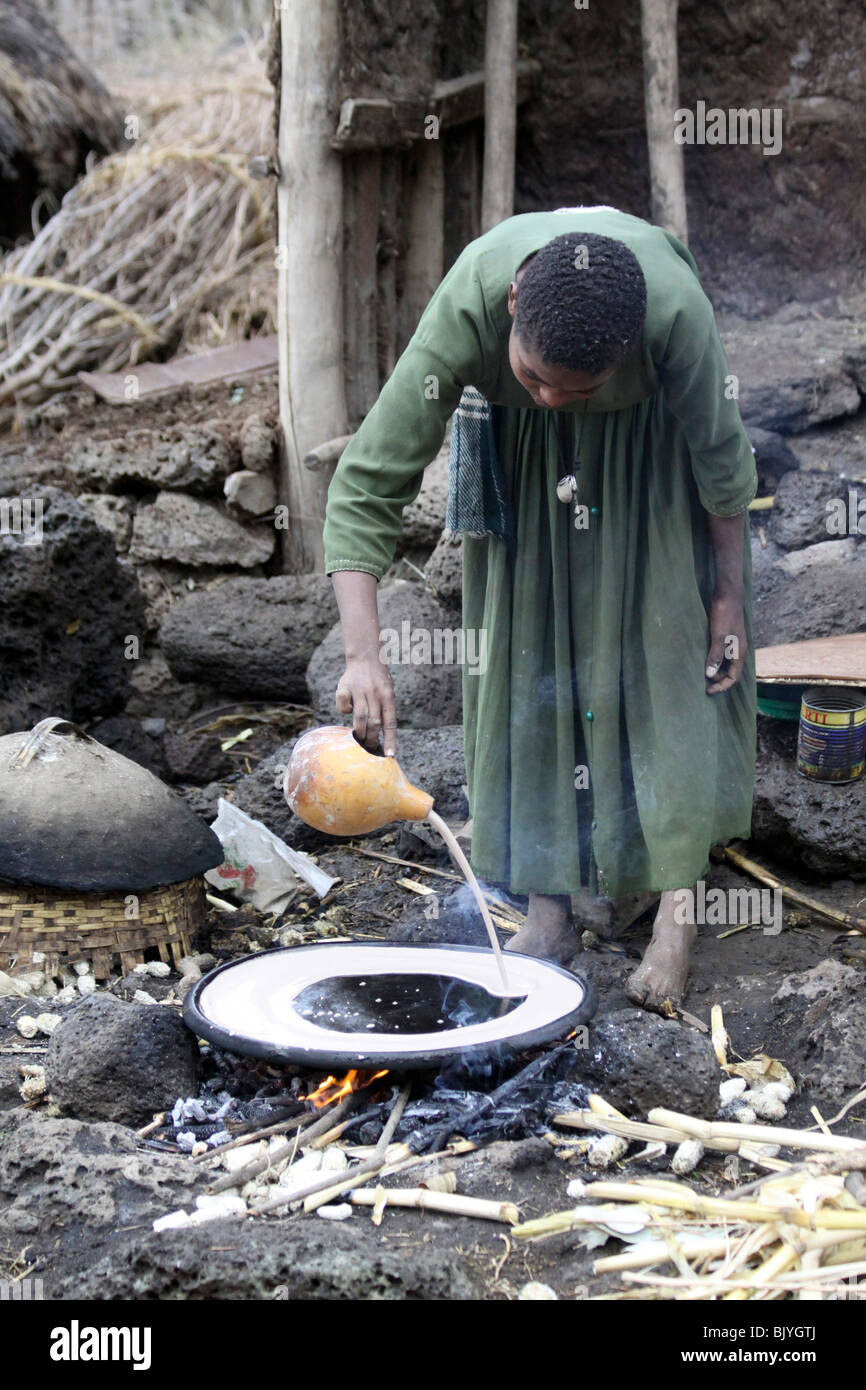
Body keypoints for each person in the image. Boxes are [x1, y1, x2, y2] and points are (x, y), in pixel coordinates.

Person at [322, 206, 757, 1014]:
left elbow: (723, 460)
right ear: (515, 302)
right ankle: (550, 907)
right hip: (519, 465)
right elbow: (369, 479)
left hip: (648, 461)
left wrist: (726, 593)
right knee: (529, 662)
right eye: (534, 377)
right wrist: (362, 654)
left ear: (625, 351)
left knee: (664, 657)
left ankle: (678, 910)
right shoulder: (470, 303)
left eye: (576, 388)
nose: (555, 399)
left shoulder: (673, 315)